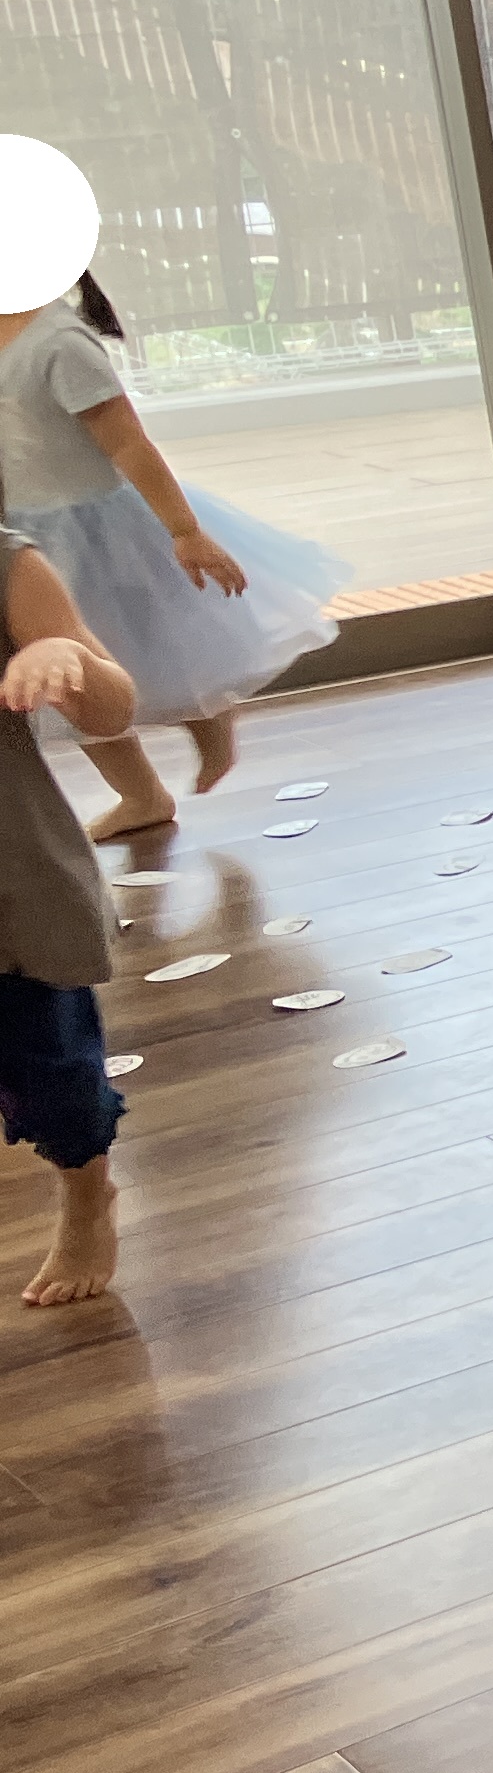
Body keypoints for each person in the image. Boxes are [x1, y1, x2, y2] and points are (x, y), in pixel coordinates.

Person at [0, 273, 346, 842]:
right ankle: (141, 795)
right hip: (29, 536)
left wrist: (185, 532)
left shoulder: (59, 343)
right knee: (71, 687)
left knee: (163, 646)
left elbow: (127, 442)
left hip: (105, 530)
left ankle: (211, 722)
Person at [2, 529, 134, 1309]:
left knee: (52, 1074)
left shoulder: (10, 565)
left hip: (10, 877)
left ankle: (88, 1191)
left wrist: (67, 658)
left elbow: (115, 707)